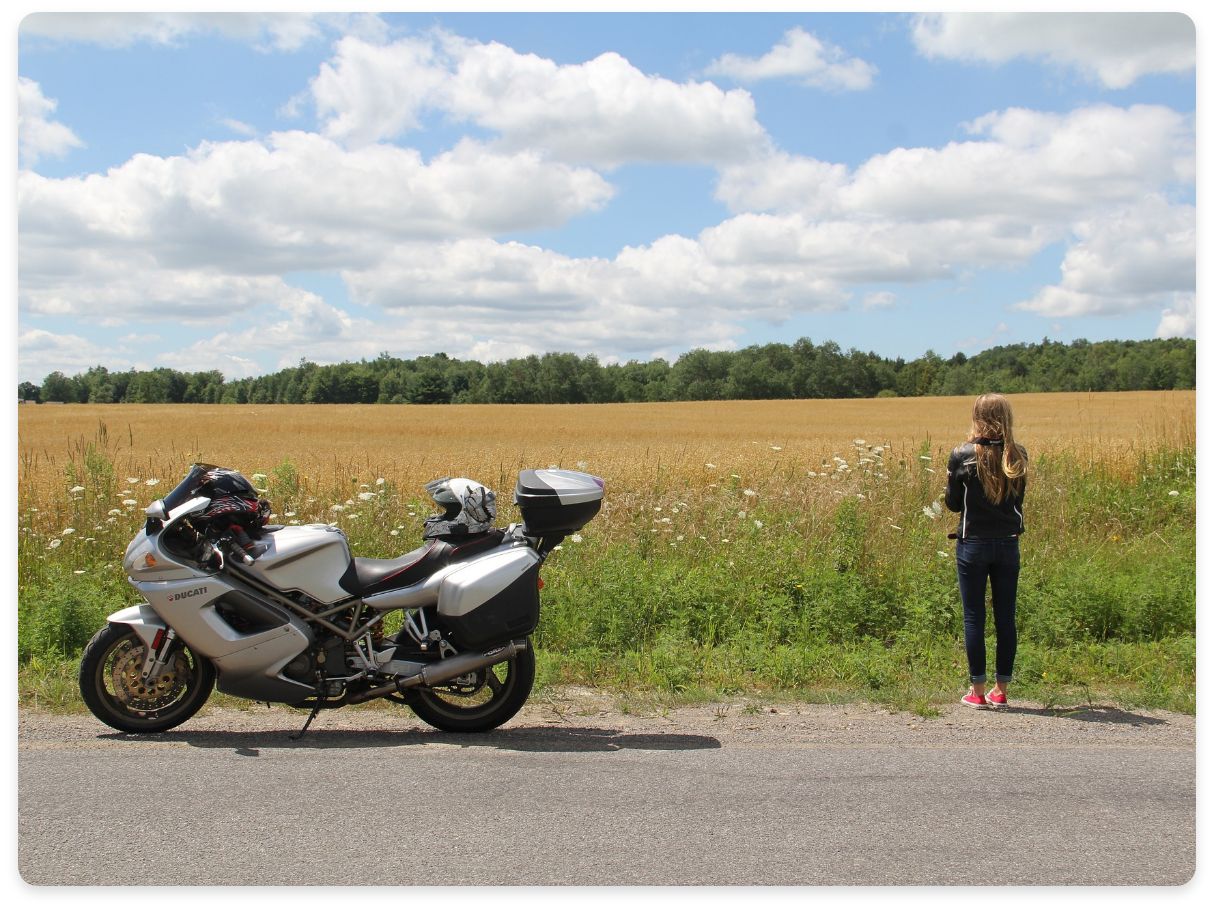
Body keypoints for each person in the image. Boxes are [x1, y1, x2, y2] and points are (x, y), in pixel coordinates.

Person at [944, 393, 1028, 708]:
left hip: (973, 544)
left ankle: (977, 693)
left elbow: (953, 503)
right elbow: (1018, 502)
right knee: (1006, 617)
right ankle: (1001, 689)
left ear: (977, 416)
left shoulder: (961, 454)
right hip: (1008, 543)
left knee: (974, 617)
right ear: (1006, 417)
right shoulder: (1019, 455)